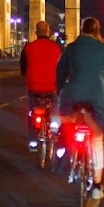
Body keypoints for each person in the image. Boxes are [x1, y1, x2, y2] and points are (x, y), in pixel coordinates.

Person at [57, 17, 104, 200]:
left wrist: (60, 89)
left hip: (72, 94)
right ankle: (97, 186)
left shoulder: (71, 47)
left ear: (82, 29)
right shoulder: (103, 48)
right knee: (97, 140)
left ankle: (64, 156)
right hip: (96, 96)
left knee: (65, 124)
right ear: (97, 30)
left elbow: (60, 70)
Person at [20, 21, 63, 151]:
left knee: (32, 111)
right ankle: (55, 126)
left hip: (33, 87)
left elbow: (23, 68)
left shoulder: (28, 47)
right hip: (52, 86)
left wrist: (26, 74)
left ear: (36, 32)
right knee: (55, 105)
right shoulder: (56, 47)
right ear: (49, 32)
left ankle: (33, 139)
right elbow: (62, 66)